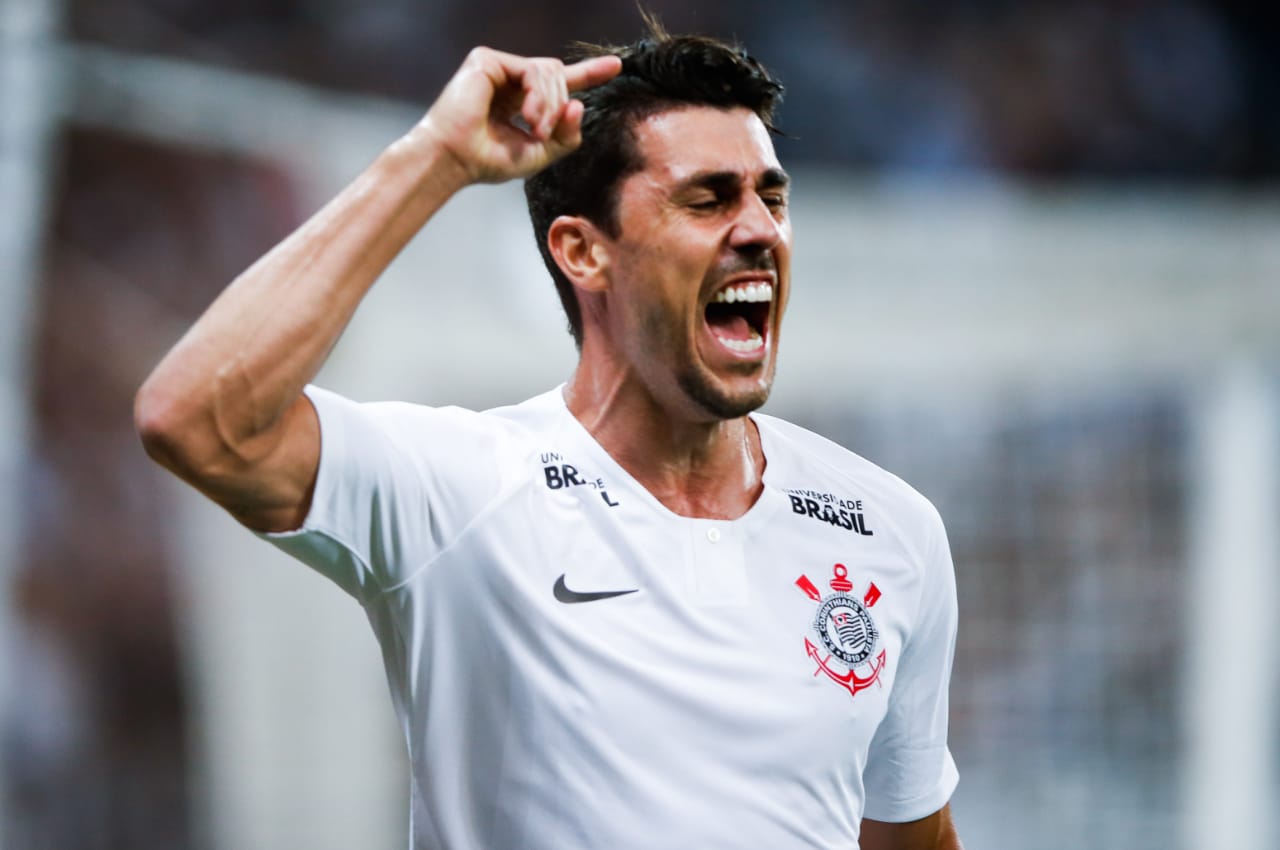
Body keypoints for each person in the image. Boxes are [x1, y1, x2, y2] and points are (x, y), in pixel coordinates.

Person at [135, 17, 963, 850]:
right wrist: (435, 158)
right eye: (707, 199)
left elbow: (912, 838)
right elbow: (196, 420)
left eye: (771, 197)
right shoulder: (466, 489)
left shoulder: (891, 531)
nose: (759, 231)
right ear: (582, 253)